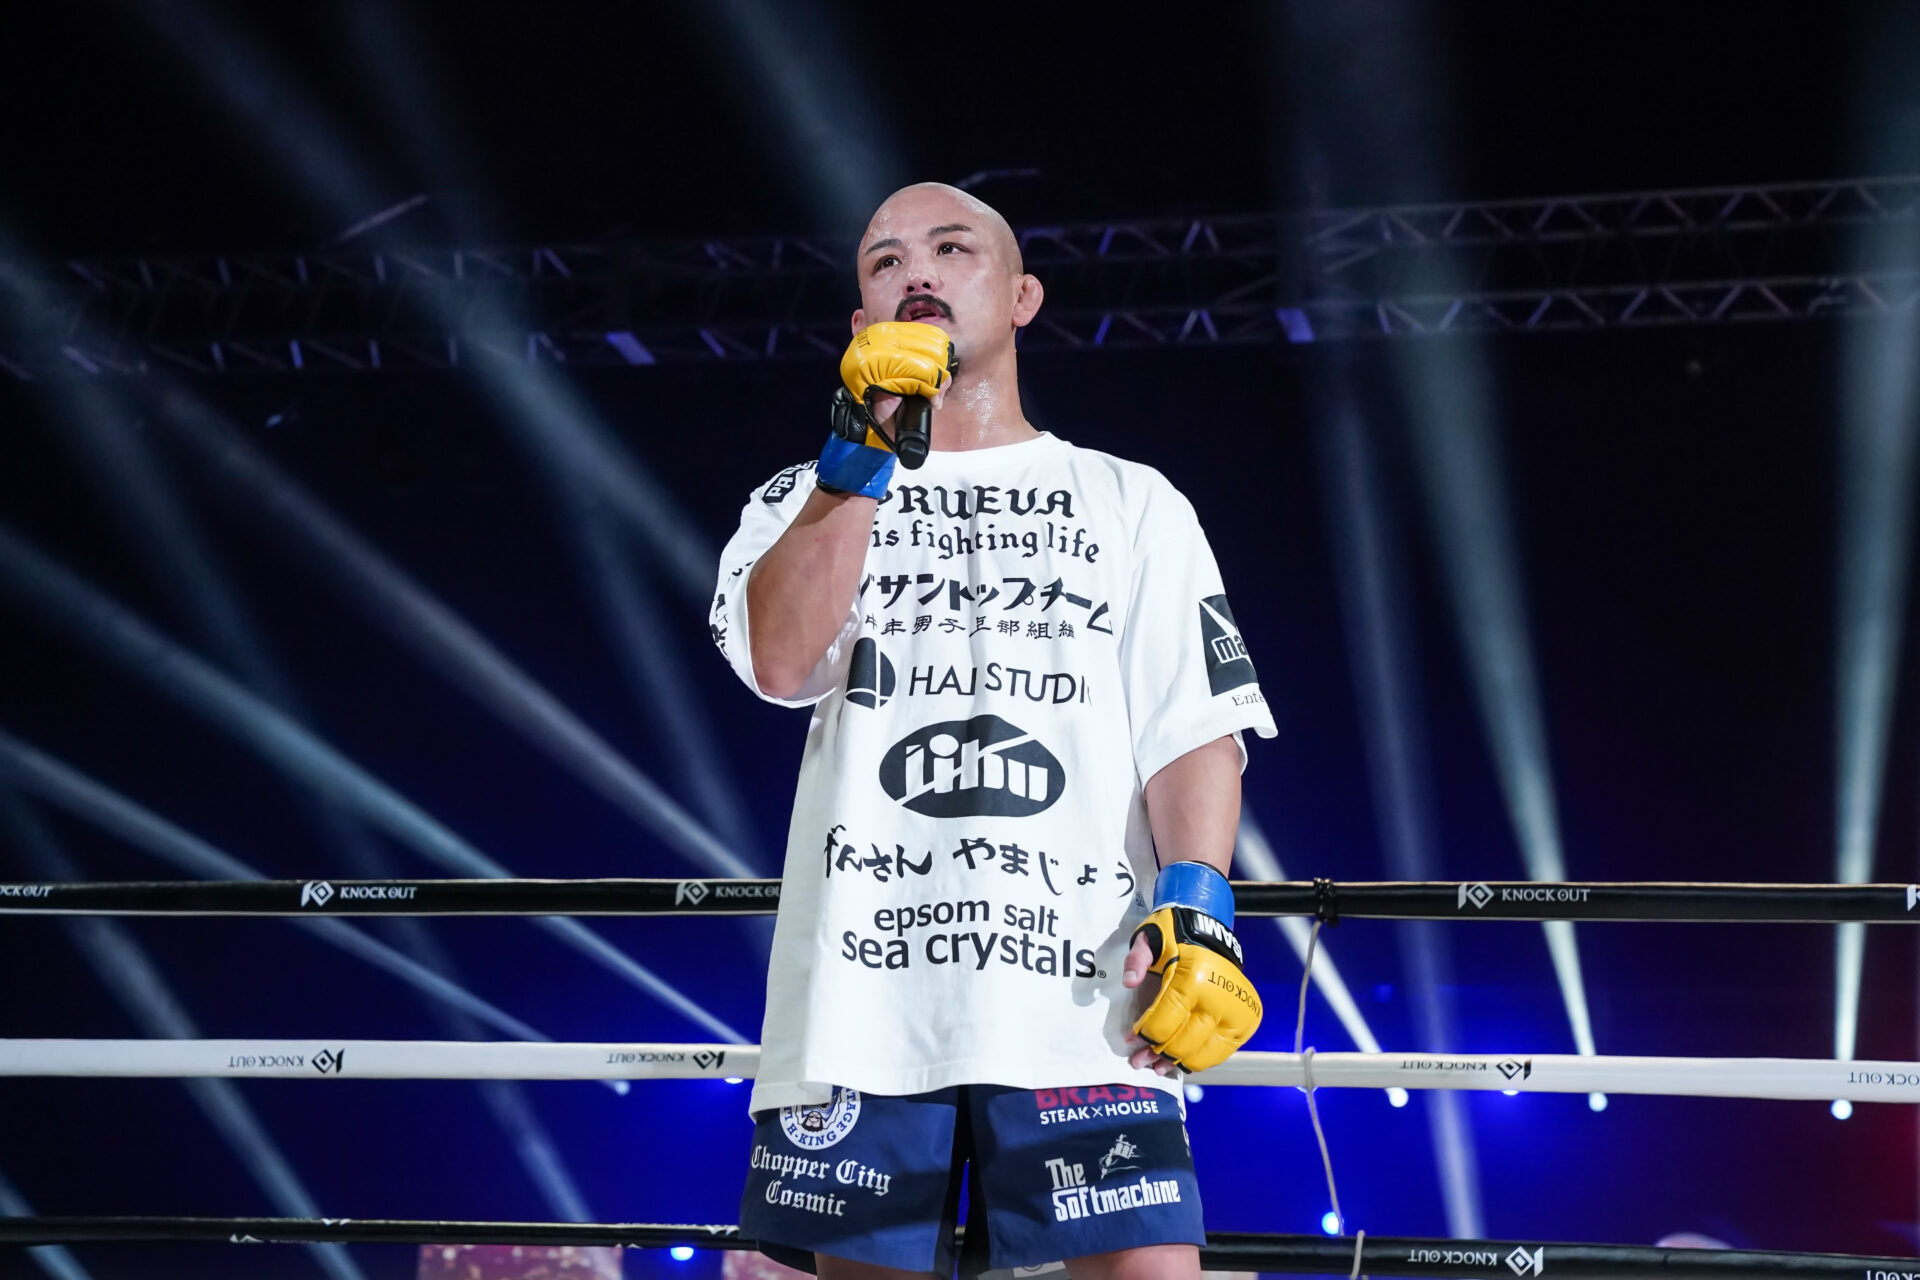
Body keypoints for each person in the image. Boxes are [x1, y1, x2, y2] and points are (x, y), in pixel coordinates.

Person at [709, 181, 1276, 1280]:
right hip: (866, 993)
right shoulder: (797, 499)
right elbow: (780, 662)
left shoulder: (1129, 498)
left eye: (951, 248)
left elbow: (1192, 726)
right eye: (885, 262)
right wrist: (860, 451)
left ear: (1022, 296)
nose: (915, 272)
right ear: (861, 320)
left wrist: (1200, 905)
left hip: (1083, 980)